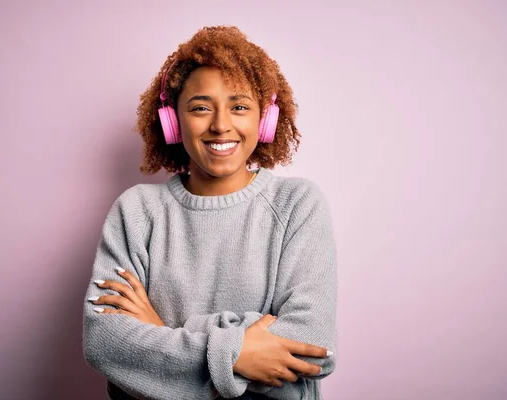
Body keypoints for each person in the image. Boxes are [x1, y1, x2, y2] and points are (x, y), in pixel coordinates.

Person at [83, 26, 337, 400]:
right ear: (173, 122)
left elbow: (312, 346)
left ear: (264, 120)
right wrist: (243, 348)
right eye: (201, 107)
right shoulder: (137, 210)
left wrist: (162, 331)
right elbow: (103, 342)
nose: (221, 124)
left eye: (239, 107)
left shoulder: (297, 204)